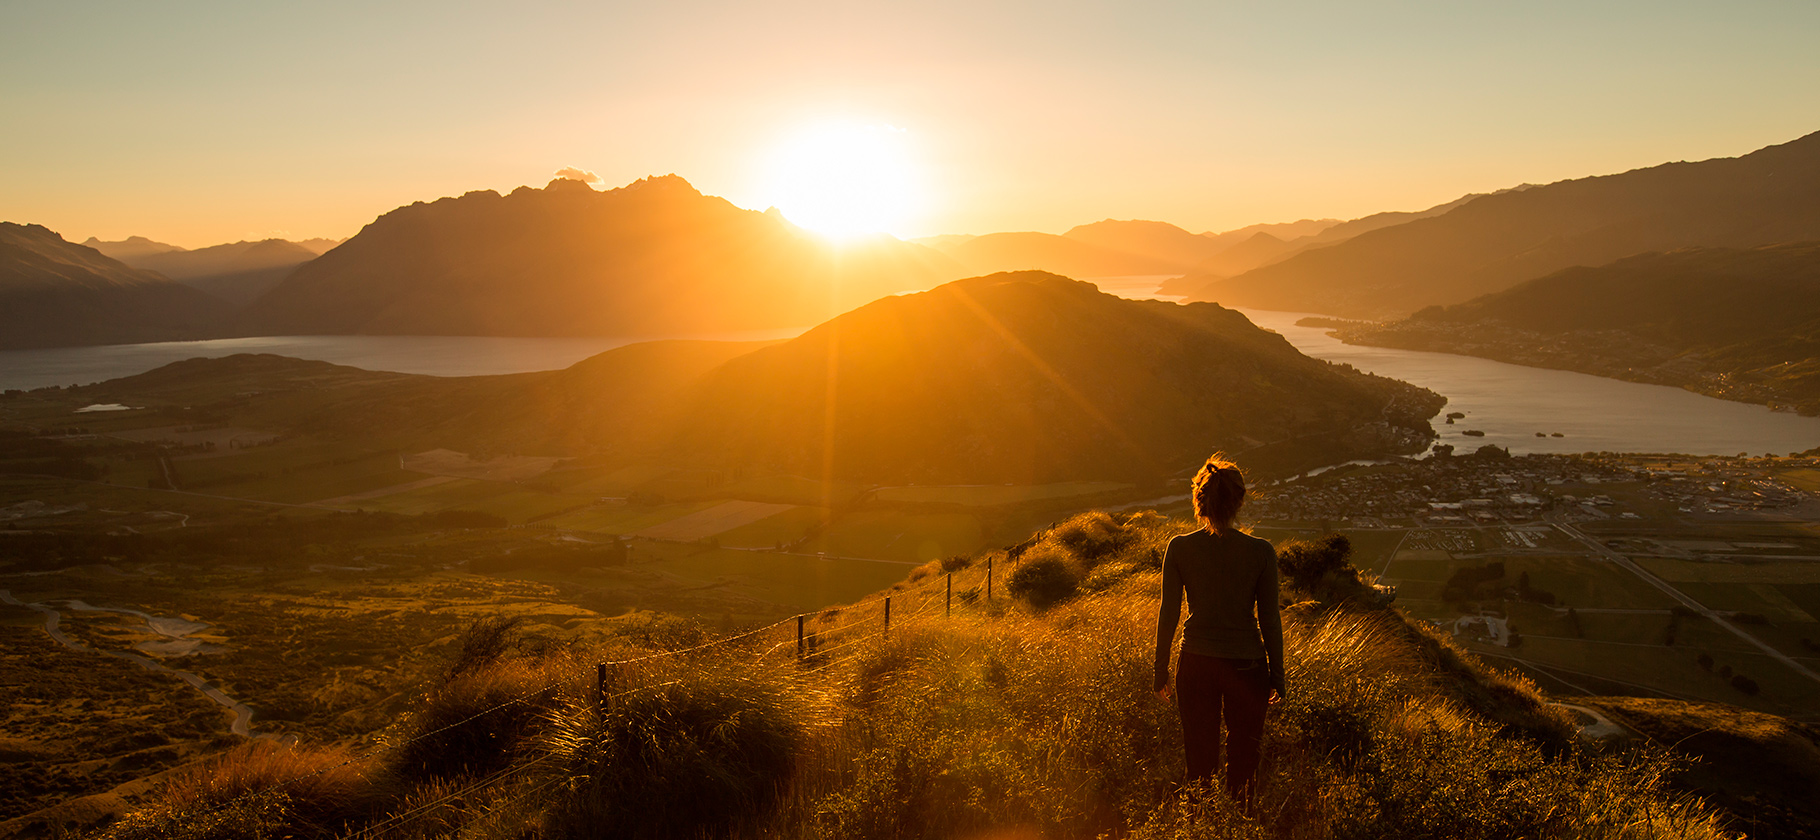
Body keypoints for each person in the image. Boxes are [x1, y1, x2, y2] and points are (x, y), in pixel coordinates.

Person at [1153, 454, 1284, 808]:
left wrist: (1159, 670)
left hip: (1196, 664)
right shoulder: (1261, 552)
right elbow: (1270, 620)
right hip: (1247, 667)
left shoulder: (1179, 548)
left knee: (1199, 762)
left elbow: (1170, 612)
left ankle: (1200, 826)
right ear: (1239, 500)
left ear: (1200, 500)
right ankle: (1238, 824)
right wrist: (1278, 676)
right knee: (1244, 762)